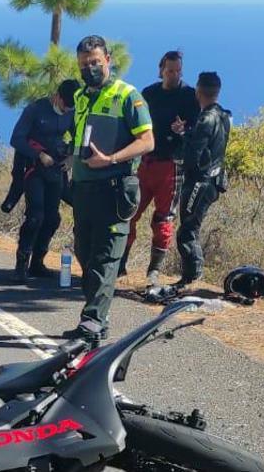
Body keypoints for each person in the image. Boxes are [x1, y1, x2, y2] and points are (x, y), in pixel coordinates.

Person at [62, 35, 155, 345]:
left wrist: (111, 159)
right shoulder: (80, 97)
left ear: (108, 61)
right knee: (84, 253)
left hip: (115, 189)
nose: (89, 69)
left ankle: (91, 324)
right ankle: (98, 321)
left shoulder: (128, 96)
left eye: (95, 63)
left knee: (105, 258)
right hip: (85, 190)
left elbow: (147, 141)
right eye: (84, 65)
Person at [121, 51, 198, 287]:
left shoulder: (189, 96)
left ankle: (153, 271)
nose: (174, 74)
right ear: (161, 70)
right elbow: (136, 126)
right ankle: (120, 264)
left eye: (178, 70)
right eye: (170, 70)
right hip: (145, 163)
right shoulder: (149, 93)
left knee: (163, 220)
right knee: (129, 213)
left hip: (171, 166)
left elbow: (197, 130)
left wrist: (183, 130)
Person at [8, 79, 82, 284]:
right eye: (65, 104)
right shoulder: (35, 110)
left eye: (70, 107)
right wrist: (38, 154)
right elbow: (16, 139)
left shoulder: (71, 111)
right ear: (57, 96)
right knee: (35, 216)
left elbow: (79, 136)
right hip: (34, 168)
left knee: (52, 218)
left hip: (56, 170)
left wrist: (70, 158)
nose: (67, 109)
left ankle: (37, 263)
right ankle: (21, 265)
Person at [167, 72, 231, 295]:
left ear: (198, 91)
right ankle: (192, 277)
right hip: (214, 181)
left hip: (200, 182)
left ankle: (191, 279)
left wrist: (183, 142)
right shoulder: (224, 116)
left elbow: (194, 156)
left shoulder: (206, 119)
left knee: (187, 231)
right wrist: (187, 132)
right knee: (190, 228)